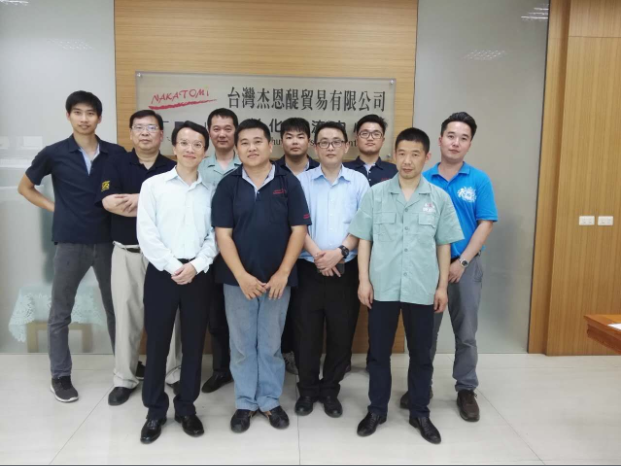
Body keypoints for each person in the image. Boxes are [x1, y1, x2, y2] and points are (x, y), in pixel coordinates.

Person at [350, 127, 463, 444]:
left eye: (415, 154)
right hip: (382, 286)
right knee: (378, 354)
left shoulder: (439, 198)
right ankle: (376, 410)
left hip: (422, 288)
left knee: (421, 355)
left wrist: (441, 287)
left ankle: (420, 413)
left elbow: (443, 244)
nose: (408, 160)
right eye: (402, 153)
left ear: (427, 157)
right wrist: (363, 280)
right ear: (394, 155)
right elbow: (364, 240)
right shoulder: (376, 194)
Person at [18, 90, 125, 403]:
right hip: (69, 242)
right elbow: (25, 187)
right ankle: (60, 375)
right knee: (61, 311)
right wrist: (56, 209)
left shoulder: (116, 153)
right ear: (68, 116)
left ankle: (125, 367)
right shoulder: (54, 153)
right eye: (78, 112)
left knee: (117, 309)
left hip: (108, 240)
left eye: (90, 113)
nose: (84, 118)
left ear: (99, 118)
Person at [212, 119, 310, 433]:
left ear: (270, 145)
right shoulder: (228, 185)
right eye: (244, 142)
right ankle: (245, 402)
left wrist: (283, 272)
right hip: (237, 281)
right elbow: (223, 235)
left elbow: (299, 230)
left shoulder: (287, 182)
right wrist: (241, 275)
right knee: (242, 344)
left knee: (270, 344)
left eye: (258, 141)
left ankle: (268, 400)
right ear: (237, 148)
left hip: (277, 281)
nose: (251, 148)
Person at [399, 112, 498, 423]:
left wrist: (462, 261)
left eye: (463, 138)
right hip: (427, 267)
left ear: (470, 144)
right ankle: (421, 385)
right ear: (440, 140)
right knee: (424, 333)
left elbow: (485, 223)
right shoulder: (423, 177)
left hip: (466, 267)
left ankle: (466, 388)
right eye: (451, 136)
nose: (456, 142)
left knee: (466, 333)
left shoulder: (479, 180)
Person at [137, 121, 218, 443]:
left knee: (194, 345)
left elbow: (216, 235)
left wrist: (196, 265)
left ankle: (186, 408)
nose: (190, 149)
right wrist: (174, 266)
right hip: (162, 273)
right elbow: (146, 233)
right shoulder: (153, 186)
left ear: (205, 151)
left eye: (197, 144)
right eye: (184, 142)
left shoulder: (211, 190)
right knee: (157, 344)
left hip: (198, 275)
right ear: (174, 147)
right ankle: (155, 411)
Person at [98, 110, 182, 406]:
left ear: (161, 135)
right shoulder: (115, 163)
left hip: (164, 256)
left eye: (151, 128)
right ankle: (125, 377)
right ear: (131, 134)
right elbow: (110, 202)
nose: (145, 133)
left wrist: (135, 200)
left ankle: (173, 372)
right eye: (139, 128)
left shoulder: (172, 167)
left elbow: (175, 210)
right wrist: (151, 201)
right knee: (126, 315)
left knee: (170, 317)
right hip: (127, 252)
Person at [292, 121, 368, 418]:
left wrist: (340, 253)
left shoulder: (359, 182)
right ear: (315, 147)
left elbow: (364, 224)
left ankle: (330, 389)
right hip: (308, 269)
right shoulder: (301, 181)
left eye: (337, 141)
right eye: (324, 142)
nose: (331, 147)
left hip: (345, 270)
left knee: (341, 333)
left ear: (347, 146)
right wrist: (318, 256)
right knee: (306, 334)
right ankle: (307, 389)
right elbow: (296, 224)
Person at [198, 108, 241, 394]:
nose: (222, 133)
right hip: (209, 253)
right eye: (216, 128)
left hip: (243, 251)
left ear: (236, 131)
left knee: (244, 315)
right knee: (216, 316)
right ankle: (221, 369)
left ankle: (245, 367)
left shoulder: (250, 163)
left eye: (228, 128)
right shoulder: (199, 166)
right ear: (209, 132)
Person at [274, 117, 319, 376]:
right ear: (281, 141)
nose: (294, 141)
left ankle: (304, 358)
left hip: (313, 258)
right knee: (283, 309)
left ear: (309, 141)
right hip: (281, 254)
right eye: (289, 136)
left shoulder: (321, 169)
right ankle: (284, 354)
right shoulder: (271, 170)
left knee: (305, 312)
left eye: (300, 136)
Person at [344, 114, 397, 186]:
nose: (370, 138)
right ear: (356, 140)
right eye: (365, 133)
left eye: (376, 134)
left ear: (383, 140)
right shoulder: (343, 169)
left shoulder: (395, 171)